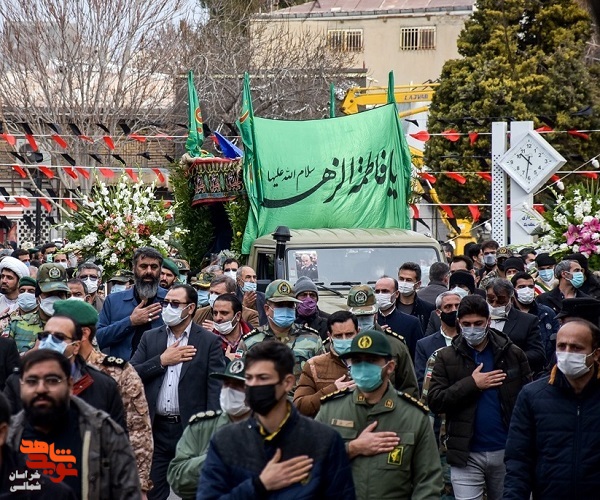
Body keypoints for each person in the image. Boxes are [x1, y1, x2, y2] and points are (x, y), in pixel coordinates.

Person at [197, 341, 355, 499]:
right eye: (249, 378)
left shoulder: (324, 441)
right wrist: (259, 485)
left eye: (263, 378)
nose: (254, 385)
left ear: (287, 383)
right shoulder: (225, 441)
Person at [315, 329, 443, 499]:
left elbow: (429, 481)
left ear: (390, 367)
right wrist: (351, 448)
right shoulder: (331, 409)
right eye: (357, 361)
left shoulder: (414, 416)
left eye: (371, 361)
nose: (363, 367)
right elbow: (311, 463)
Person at [427, 295, 532, 500]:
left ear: (488, 322)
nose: (472, 329)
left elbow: (528, 400)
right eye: (466, 324)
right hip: (466, 454)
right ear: (459, 323)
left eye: (478, 323)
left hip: (506, 451)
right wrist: (472, 384)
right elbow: (436, 401)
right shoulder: (446, 357)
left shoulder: (512, 354)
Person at [130, 284, 225, 500]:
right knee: (152, 492)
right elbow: (130, 373)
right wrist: (161, 361)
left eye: (174, 304)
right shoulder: (150, 338)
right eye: (165, 303)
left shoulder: (209, 341)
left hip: (192, 430)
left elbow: (215, 390)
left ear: (190, 308)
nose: (167, 308)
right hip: (157, 429)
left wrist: (210, 431)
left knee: (194, 491)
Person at [7, 349, 141, 499]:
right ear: (21, 386)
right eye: (32, 381)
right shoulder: (7, 437)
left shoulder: (103, 433)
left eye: (52, 380)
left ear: (70, 384)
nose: (41, 389)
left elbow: (129, 494)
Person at [53, 299, 153, 496]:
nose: (50, 341)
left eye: (58, 335)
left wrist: (139, 484)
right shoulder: (42, 370)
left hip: (101, 476)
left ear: (83, 334)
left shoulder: (118, 372)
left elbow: (138, 431)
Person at [504, 319, 600, 498]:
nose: (567, 353)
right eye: (561, 346)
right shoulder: (532, 396)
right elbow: (518, 460)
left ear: (596, 354)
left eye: (576, 348)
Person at [4, 314, 126, 430]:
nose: (49, 342)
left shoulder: (103, 385)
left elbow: (115, 438)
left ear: (76, 346)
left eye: (59, 337)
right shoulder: (17, 382)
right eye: (45, 336)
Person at [167, 358, 251, 499]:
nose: (230, 390)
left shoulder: (269, 428)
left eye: (238, 385)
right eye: (226, 384)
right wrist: (217, 458)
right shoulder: (201, 427)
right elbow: (178, 479)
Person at [242, 279, 324, 384]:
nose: (285, 309)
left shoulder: (312, 339)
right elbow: (240, 382)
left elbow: (323, 378)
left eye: (290, 305)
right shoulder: (250, 342)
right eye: (280, 305)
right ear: (267, 309)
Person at [347, 284, 419, 397]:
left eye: (366, 316)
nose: (362, 321)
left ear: (375, 315)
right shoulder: (338, 344)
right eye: (358, 318)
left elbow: (409, 388)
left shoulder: (395, 345)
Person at [97, 247, 167, 360]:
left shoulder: (170, 300)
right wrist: (130, 322)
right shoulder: (113, 301)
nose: (149, 271)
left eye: (154, 267)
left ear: (160, 270)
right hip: (122, 368)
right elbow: (97, 340)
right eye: (143, 266)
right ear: (134, 269)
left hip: (159, 368)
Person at [293, 311, 358, 417]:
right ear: (329, 336)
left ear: (358, 332)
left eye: (349, 334)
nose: (344, 340)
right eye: (338, 336)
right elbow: (299, 406)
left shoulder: (371, 363)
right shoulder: (314, 365)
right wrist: (332, 391)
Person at [485, 278, 546, 374]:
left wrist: (510, 358)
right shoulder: (478, 320)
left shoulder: (527, 321)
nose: (494, 305)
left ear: (511, 299)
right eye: (490, 300)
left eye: (501, 301)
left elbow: (538, 354)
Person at [511, 272, 560, 368]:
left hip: (546, 368)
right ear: (513, 290)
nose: (527, 290)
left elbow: (557, 341)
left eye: (530, 286)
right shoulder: (508, 314)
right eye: (521, 287)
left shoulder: (547, 313)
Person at [415, 291, 461, 391]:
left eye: (457, 306)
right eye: (448, 307)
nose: (454, 310)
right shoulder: (424, 345)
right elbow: (421, 381)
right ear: (438, 313)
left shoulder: (470, 339)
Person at [374, 276, 423, 360]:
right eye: (377, 292)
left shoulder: (411, 322)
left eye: (385, 291)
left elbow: (417, 356)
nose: (380, 295)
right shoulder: (369, 322)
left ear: (396, 294)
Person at [194, 275, 259, 329]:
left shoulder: (250, 315)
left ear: (232, 295)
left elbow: (254, 339)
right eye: (211, 292)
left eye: (217, 293)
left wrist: (217, 331)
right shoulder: (198, 314)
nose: (213, 296)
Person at [396, 262, 436, 332]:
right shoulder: (390, 306)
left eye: (409, 280)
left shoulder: (428, 309)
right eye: (401, 279)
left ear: (418, 284)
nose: (404, 283)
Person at [210, 294, 252, 360]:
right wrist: (226, 360)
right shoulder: (207, 340)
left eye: (224, 313)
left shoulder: (255, 337)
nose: (218, 318)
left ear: (238, 316)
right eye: (215, 313)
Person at [7, 277, 43, 353]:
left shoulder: (43, 319)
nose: (26, 294)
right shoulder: (9, 319)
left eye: (31, 291)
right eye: (22, 291)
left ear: (38, 296)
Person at [0, 257, 30, 331]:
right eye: (2, 276)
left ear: (19, 282)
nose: (4, 281)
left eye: (9, 278)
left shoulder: (27, 304)